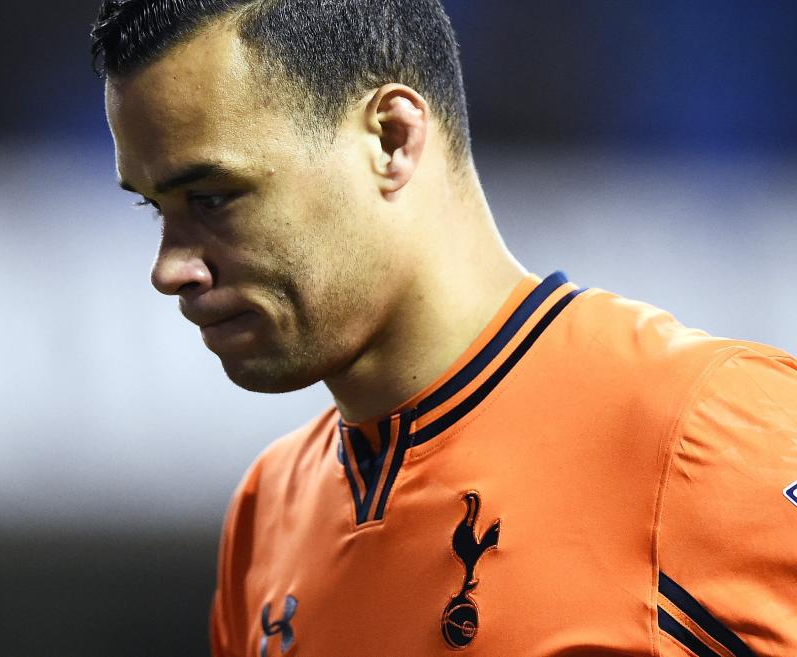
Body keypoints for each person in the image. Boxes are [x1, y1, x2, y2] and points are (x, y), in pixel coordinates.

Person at [91, 1, 797, 655]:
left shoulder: (704, 428)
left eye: (212, 197)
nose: (170, 267)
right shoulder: (266, 514)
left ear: (392, 139)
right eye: (157, 208)